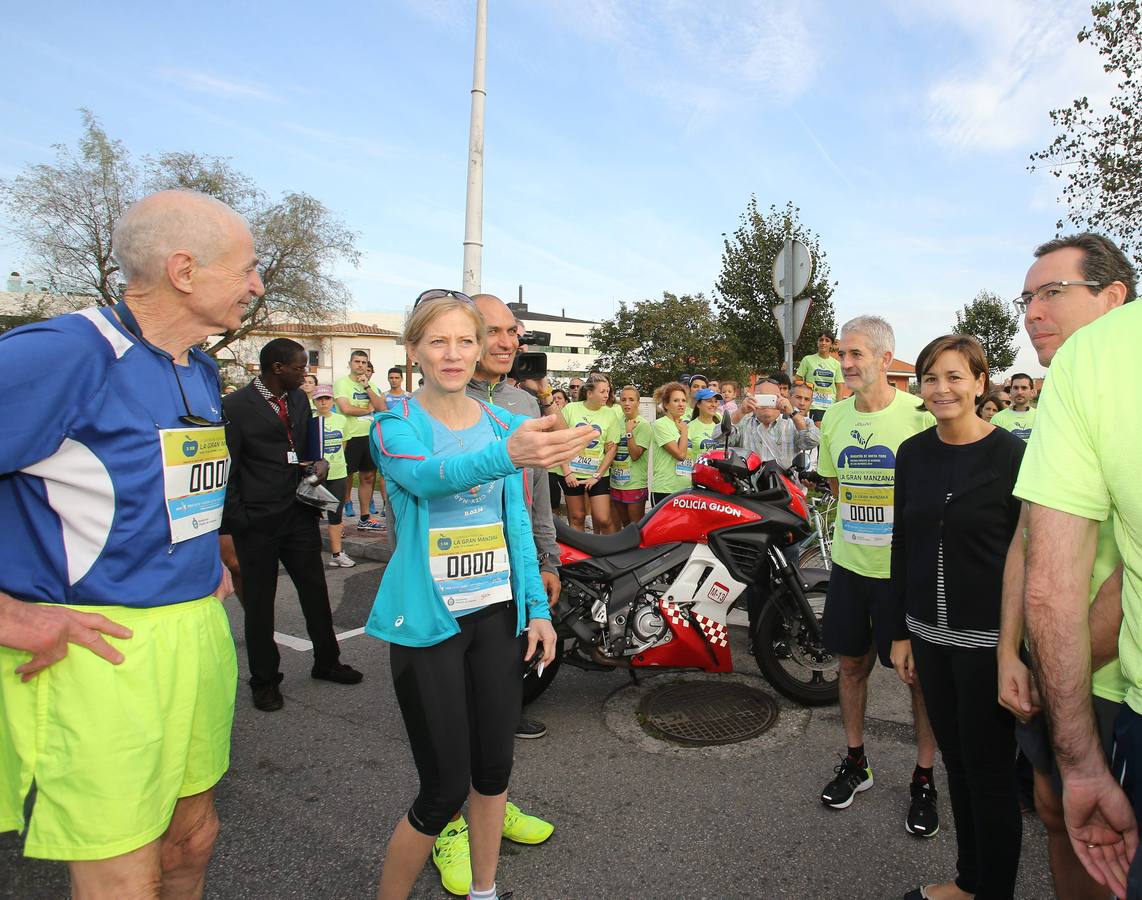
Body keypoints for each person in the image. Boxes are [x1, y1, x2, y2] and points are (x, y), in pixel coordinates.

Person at [0, 189, 253, 894]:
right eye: (247, 268)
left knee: (193, 840)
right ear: (184, 269)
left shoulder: (197, 365)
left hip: (193, 636)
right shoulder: (62, 354)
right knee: (122, 873)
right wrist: (9, 615)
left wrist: (212, 556)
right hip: (100, 647)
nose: (257, 285)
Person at [365, 291, 592, 900]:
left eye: (465, 340)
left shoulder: (500, 422)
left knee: (493, 774)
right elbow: (429, 477)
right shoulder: (394, 426)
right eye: (438, 341)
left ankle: (485, 892)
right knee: (442, 791)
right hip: (428, 627)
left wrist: (537, 611)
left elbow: (515, 521)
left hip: (496, 619)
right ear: (414, 349)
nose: (454, 353)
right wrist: (509, 452)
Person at [997, 232, 1135, 898]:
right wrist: (1007, 651)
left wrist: (1060, 670)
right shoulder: (1063, 396)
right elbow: (1027, 542)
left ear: (1115, 298)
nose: (1031, 312)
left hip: (1104, 680)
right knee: (1056, 818)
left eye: (1053, 293)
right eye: (1026, 297)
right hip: (1056, 668)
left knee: (1113, 847)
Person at [426, 291, 568, 893]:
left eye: (514, 331)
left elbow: (535, 494)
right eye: (495, 330)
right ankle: (447, 828)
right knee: (445, 723)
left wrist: (546, 559)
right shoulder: (435, 405)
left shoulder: (520, 402)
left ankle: (491, 803)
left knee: (497, 713)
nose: (508, 341)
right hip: (445, 590)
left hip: (510, 580)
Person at [888, 335, 1026, 900]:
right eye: (930, 378)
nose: (941, 389)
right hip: (927, 636)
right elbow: (904, 544)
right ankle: (970, 883)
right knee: (958, 766)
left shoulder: (1012, 455)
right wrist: (900, 631)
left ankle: (992, 891)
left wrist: (1015, 650)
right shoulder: (914, 453)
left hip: (989, 643)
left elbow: (1028, 555)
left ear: (978, 382)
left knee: (991, 776)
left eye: (953, 377)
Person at [817, 316, 940, 838]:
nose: (845, 363)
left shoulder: (920, 414)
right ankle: (856, 762)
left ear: (886, 360)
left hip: (905, 571)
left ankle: (924, 777)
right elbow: (834, 481)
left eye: (856, 354)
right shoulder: (834, 417)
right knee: (850, 667)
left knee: (919, 678)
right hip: (850, 566)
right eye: (842, 354)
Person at [223, 338, 363, 711]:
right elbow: (229, 469)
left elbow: (303, 448)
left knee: (315, 592)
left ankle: (327, 661)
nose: (306, 373)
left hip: (298, 511)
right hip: (257, 520)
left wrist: (316, 463)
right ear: (277, 368)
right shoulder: (235, 407)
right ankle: (265, 680)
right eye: (301, 367)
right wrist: (236, 523)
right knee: (259, 604)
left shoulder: (298, 400)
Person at [333, 350, 387, 530]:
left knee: (368, 476)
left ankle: (365, 517)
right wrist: (367, 410)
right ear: (350, 363)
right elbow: (345, 408)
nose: (361, 365)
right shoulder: (342, 383)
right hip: (349, 436)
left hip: (368, 436)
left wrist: (367, 388)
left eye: (364, 362)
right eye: (357, 361)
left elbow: (381, 407)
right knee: (343, 479)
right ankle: (337, 521)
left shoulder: (370, 384)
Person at [559, 373, 619, 534]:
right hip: (571, 473)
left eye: (608, 391)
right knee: (577, 517)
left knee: (603, 519)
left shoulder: (610, 413)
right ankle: (578, 557)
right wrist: (567, 473)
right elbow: (560, 442)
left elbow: (612, 448)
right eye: (602, 391)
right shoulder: (571, 409)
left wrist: (597, 475)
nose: (606, 395)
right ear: (589, 393)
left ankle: (609, 554)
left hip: (597, 474)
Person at [729, 379, 818, 468]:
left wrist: (792, 413)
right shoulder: (743, 423)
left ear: (781, 398)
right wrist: (740, 411)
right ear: (753, 398)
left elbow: (811, 442)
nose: (767, 403)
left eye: (772, 398)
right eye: (761, 398)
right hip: (749, 480)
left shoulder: (796, 423)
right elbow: (719, 438)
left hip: (784, 480)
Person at [313, 384, 355, 568]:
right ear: (314, 401)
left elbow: (343, 443)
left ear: (332, 400)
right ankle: (310, 552)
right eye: (320, 399)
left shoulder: (341, 420)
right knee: (312, 513)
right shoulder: (310, 420)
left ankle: (337, 553)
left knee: (335, 513)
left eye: (327, 398)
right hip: (316, 475)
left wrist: (338, 463)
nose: (324, 402)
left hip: (338, 472)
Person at [610, 385, 652, 525]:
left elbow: (635, 455)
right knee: (624, 525)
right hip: (616, 482)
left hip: (634, 484)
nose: (627, 403)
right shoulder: (616, 422)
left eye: (631, 399)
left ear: (638, 403)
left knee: (635, 526)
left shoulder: (643, 425)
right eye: (623, 400)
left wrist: (629, 433)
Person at [651, 381, 691, 505]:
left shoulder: (683, 423)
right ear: (666, 404)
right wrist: (684, 432)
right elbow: (680, 455)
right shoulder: (660, 424)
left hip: (685, 488)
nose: (681, 404)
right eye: (676, 401)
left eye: (683, 401)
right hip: (665, 490)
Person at [797, 331, 845, 423]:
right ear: (817, 342)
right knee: (816, 434)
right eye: (821, 340)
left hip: (830, 406)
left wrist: (839, 407)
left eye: (827, 340)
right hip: (813, 405)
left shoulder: (836, 364)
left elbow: (840, 387)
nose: (823, 343)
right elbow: (798, 379)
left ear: (831, 344)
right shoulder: (807, 360)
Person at [990, 373, 1036, 441]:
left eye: (1024, 388)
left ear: (1032, 392)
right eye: (1015, 388)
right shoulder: (997, 419)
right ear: (1011, 391)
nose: (1019, 392)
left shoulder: (1040, 417)